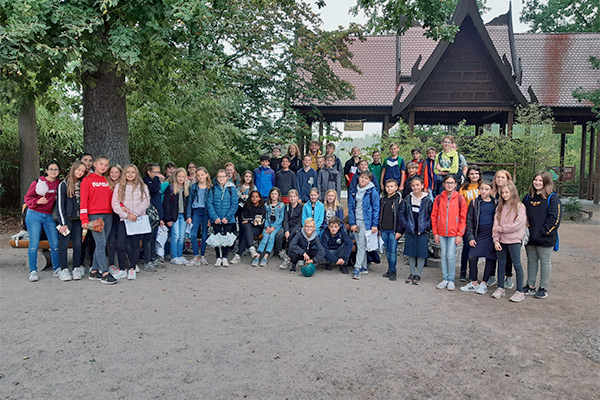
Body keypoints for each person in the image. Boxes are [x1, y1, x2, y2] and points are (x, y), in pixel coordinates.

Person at [523, 171, 561, 299]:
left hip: (545, 237)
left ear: (546, 182)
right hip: (530, 237)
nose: (537, 183)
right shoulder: (528, 197)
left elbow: (555, 219)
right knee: (531, 261)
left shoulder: (553, 198)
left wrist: (543, 232)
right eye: (535, 180)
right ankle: (530, 285)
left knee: (545, 262)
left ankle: (543, 287)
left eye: (540, 180)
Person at [80, 156, 118, 284]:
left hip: (109, 214)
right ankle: (105, 273)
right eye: (101, 164)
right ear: (95, 164)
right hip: (95, 216)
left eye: (106, 165)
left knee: (102, 243)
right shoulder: (87, 180)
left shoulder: (107, 180)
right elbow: (83, 201)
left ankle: (94, 271)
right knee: (101, 244)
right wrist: (84, 219)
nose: (103, 167)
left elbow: (114, 198)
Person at [111, 164, 150, 280]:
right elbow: (115, 203)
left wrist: (135, 214)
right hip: (124, 220)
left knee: (135, 245)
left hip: (137, 219)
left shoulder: (142, 186)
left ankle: (132, 268)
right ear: (124, 174)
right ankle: (122, 269)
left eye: (133, 172)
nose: (130, 174)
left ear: (136, 173)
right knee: (121, 244)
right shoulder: (119, 186)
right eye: (128, 172)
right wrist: (127, 215)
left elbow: (146, 202)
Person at [24, 161, 61, 282]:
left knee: (55, 243)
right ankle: (33, 271)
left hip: (49, 216)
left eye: (56, 169)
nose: (53, 171)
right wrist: (37, 202)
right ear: (46, 170)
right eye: (51, 169)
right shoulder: (37, 182)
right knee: (34, 244)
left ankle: (57, 268)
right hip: (34, 215)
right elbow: (27, 198)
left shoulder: (58, 184)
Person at [492, 182, 527, 303]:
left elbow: (517, 225)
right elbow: (495, 224)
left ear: (513, 192)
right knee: (501, 263)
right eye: (502, 193)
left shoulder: (520, 207)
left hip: (514, 240)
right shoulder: (499, 207)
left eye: (507, 192)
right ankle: (500, 288)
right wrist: (496, 239)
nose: (505, 194)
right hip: (501, 240)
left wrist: (501, 229)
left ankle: (519, 291)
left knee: (516, 264)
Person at [431, 175, 467, 291]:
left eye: (452, 183)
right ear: (443, 184)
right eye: (447, 182)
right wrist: (435, 232)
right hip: (441, 232)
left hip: (454, 233)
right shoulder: (438, 198)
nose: (449, 185)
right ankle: (445, 278)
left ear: (456, 184)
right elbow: (434, 216)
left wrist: (460, 234)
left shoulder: (460, 198)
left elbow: (463, 218)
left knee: (451, 256)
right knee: (444, 256)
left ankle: (451, 280)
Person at [460, 181, 497, 294]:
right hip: (478, 234)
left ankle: (484, 283)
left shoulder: (495, 203)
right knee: (472, 256)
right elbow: (469, 220)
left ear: (491, 190)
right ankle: (474, 282)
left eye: (486, 189)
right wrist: (470, 237)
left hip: (491, 235)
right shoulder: (474, 202)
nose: (484, 191)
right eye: (482, 189)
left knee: (490, 258)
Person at [56, 161, 87, 281]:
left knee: (78, 244)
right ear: (73, 169)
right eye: (78, 170)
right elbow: (60, 205)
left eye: (82, 171)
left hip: (79, 220)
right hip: (67, 220)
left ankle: (76, 268)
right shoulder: (63, 184)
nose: (80, 173)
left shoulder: (83, 183)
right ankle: (63, 269)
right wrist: (62, 223)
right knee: (63, 244)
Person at [399, 177, 433, 285]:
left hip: (422, 231)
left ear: (422, 186)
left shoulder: (427, 200)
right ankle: (412, 273)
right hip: (410, 230)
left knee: (421, 253)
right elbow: (402, 214)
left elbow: (431, 216)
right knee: (411, 252)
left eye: (418, 185)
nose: (415, 187)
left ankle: (418, 274)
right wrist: (406, 225)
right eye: (413, 185)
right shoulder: (407, 199)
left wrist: (427, 226)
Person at [348, 171, 380, 280]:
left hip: (366, 221)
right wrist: (352, 223)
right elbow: (351, 208)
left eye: (366, 178)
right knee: (360, 244)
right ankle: (364, 266)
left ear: (369, 180)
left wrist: (375, 224)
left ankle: (357, 268)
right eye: (362, 177)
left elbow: (376, 208)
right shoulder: (354, 190)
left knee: (361, 245)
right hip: (356, 220)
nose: (363, 180)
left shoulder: (372, 191)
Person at [207, 169, 238, 266]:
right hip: (216, 218)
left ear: (227, 177)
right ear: (216, 178)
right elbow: (209, 203)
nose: (221, 178)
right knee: (217, 238)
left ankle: (224, 257)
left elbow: (234, 204)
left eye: (223, 176)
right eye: (219, 176)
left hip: (228, 219)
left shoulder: (231, 188)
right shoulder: (213, 189)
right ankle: (218, 257)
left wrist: (227, 217)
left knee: (226, 238)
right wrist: (214, 217)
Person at [489, 169, 515, 288]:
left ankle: (508, 276)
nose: (499, 179)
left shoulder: (510, 194)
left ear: (508, 180)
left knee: (507, 254)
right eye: (497, 177)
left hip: (505, 228)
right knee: (491, 252)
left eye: (502, 177)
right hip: (492, 227)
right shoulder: (491, 193)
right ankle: (491, 275)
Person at [458, 165, 482, 281]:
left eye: (476, 174)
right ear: (468, 175)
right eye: (472, 174)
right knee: (467, 247)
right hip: (467, 219)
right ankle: (463, 271)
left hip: (480, 219)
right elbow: (460, 205)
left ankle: (474, 272)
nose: (474, 176)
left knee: (476, 247)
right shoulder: (463, 188)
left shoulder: (482, 187)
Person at [163, 167, 191, 265]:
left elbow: (188, 204)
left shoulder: (187, 189)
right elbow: (166, 205)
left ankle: (180, 255)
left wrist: (188, 216)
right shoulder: (171, 188)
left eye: (183, 177)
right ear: (175, 177)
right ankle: (174, 256)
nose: (181, 178)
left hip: (183, 215)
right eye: (179, 176)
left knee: (182, 236)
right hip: (174, 216)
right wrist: (168, 219)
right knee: (175, 235)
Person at [186, 167, 212, 266]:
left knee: (205, 234)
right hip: (196, 211)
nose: (200, 177)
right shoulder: (193, 187)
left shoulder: (210, 188)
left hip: (206, 212)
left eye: (202, 175)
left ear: (206, 175)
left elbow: (212, 204)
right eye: (198, 175)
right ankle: (196, 256)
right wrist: (189, 216)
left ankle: (203, 256)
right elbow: (189, 203)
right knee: (193, 234)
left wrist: (210, 218)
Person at [231, 190, 265, 264]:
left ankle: (239, 254)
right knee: (247, 227)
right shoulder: (247, 206)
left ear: (259, 198)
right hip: (248, 227)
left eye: (256, 197)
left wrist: (250, 221)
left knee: (247, 231)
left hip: (258, 228)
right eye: (252, 197)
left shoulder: (262, 207)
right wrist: (253, 220)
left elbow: (260, 221)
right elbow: (244, 218)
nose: (254, 198)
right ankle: (251, 248)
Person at [253, 187, 285, 267]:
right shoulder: (266, 205)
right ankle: (257, 256)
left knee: (271, 237)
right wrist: (267, 226)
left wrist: (273, 227)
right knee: (265, 238)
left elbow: (281, 218)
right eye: (272, 194)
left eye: (275, 194)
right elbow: (266, 217)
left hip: (276, 226)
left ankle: (265, 257)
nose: (274, 196)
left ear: (278, 195)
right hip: (268, 225)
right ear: (270, 195)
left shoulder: (281, 205)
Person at [142, 162, 164, 270]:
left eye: (159, 172)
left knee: (154, 237)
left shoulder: (157, 182)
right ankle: (147, 260)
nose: (158, 174)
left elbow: (158, 198)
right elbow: (153, 190)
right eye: (156, 172)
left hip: (156, 213)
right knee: (148, 238)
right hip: (148, 213)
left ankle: (153, 257)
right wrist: (156, 179)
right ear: (149, 172)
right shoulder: (146, 181)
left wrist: (161, 215)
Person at [379, 179, 402, 281]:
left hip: (393, 231)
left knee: (393, 252)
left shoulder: (399, 200)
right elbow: (380, 214)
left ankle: (393, 271)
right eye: (387, 186)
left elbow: (401, 217)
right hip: (384, 230)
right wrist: (380, 228)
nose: (389, 188)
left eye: (392, 186)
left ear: (396, 188)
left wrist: (399, 231)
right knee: (387, 251)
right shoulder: (383, 199)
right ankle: (389, 269)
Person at [275, 189, 303, 269]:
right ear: (288, 198)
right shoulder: (287, 207)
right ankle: (281, 252)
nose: (292, 198)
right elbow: (285, 220)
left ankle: (291, 258)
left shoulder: (301, 207)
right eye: (290, 197)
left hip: (296, 228)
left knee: (294, 236)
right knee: (279, 234)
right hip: (287, 227)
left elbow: (299, 222)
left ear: (297, 197)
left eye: (294, 196)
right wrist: (287, 230)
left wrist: (291, 232)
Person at [106, 165, 124, 275]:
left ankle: (126, 262)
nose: (114, 174)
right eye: (112, 172)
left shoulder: (124, 185)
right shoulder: (106, 183)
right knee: (111, 239)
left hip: (121, 214)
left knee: (122, 239)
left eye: (116, 172)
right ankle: (111, 263)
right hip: (109, 213)